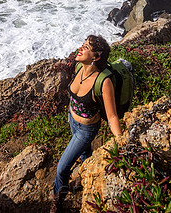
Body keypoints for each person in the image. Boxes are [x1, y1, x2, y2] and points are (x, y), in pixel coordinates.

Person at [50, 35, 122, 212]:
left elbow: (112, 116)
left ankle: (58, 198)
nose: (80, 49)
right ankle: (84, 177)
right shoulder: (78, 67)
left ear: (96, 57)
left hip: (86, 129)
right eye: (82, 45)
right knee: (85, 153)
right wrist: (70, 113)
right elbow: (74, 97)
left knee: (61, 169)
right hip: (72, 120)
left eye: (86, 48)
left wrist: (120, 140)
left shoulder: (103, 82)